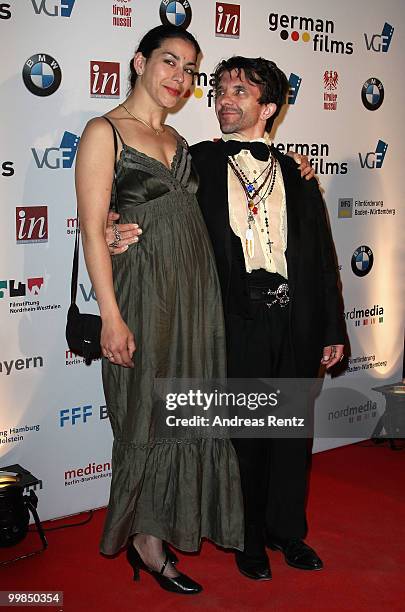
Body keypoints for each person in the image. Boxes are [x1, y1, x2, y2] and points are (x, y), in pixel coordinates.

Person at [108, 56, 345, 582]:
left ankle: (288, 532)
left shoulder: (297, 174)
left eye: (239, 91)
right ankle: (250, 539)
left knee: (290, 436)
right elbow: (144, 197)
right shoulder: (201, 162)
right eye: (219, 91)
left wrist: (331, 329)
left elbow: (322, 257)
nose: (223, 100)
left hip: (295, 319)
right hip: (235, 317)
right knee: (246, 437)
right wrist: (109, 225)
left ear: (268, 107)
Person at [75, 25, 245, 595]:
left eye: (190, 69)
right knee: (145, 414)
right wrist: (111, 316)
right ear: (139, 61)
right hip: (143, 296)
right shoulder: (105, 132)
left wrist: (298, 169)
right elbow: (92, 232)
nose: (179, 77)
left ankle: (170, 522)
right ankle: (146, 545)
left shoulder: (179, 140)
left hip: (196, 297)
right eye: (169, 61)